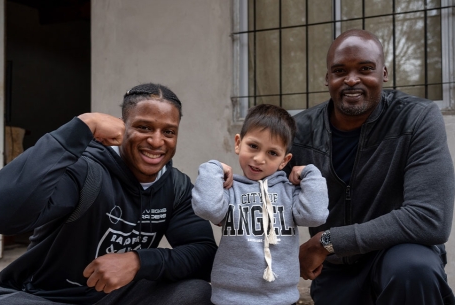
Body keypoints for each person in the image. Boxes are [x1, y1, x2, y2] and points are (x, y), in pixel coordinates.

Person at [0, 83, 217, 305]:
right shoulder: (86, 172)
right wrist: (83, 126)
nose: (157, 141)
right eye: (144, 127)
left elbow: (204, 255)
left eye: (168, 131)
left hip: (117, 297)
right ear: (121, 126)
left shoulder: (175, 185)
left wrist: (138, 262)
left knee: (196, 294)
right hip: (45, 296)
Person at [285, 29, 455, 305]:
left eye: (365, 69)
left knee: (413, 268)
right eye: (340, 71)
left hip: (398, 259)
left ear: (384, 73)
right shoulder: (299, 131)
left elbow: (430, 218)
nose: (352, 80)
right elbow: (268, 201)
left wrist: (326, 241)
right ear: (328, 78)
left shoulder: (417, 119)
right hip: (336, 269)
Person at [192, 104, 329, 305]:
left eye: (272, 153)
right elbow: (207, 207)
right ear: (238, 143)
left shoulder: (289, 192)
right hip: (229, 299)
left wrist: (310, 174)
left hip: (281, 299)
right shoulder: (229, 190)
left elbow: (315, 215)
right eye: (253, 146)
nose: (259, 159)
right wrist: (213, 167)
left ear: (285, 160)